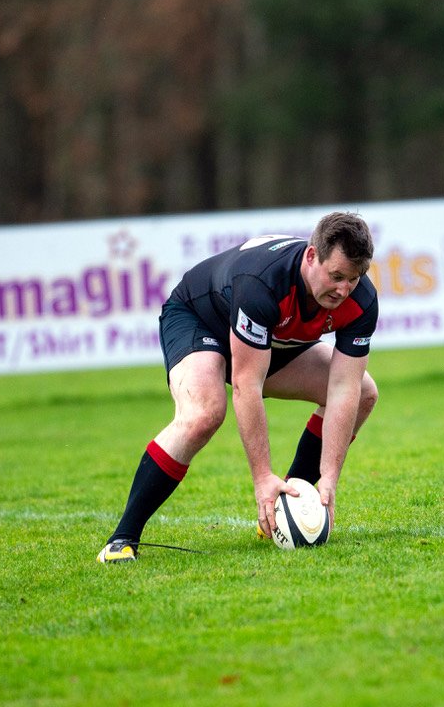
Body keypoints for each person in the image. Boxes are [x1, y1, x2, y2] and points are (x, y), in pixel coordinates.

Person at [98, 211, 380, 562]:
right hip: (200, 320)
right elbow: (247, 384)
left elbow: (344, 388)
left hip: (268, 341)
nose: (343, 290)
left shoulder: (362, 300)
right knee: (204, 413)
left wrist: (329, 477)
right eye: (336, 276)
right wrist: (262, 478)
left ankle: (284, 510)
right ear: (311, 256)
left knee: (364, 392)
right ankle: (122, 538)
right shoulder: (263, 282)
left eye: (353, 279)